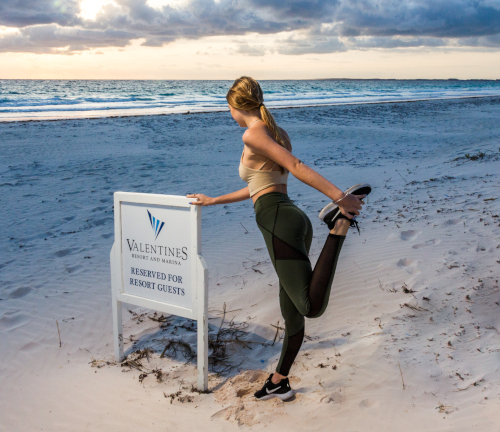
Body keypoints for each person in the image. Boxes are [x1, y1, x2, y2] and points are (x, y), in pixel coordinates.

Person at [187, 76, 372, 401]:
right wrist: (214, 200)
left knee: (310, 307)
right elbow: (259, 185)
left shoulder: (253, 133)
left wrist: (340, 198)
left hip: (278, 221)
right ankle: (279, 380)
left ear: (235, 105)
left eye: (228, 107)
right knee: (292, 313)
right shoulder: (277, 133)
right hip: (291, 217)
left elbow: (295, 166)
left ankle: (339, 222)